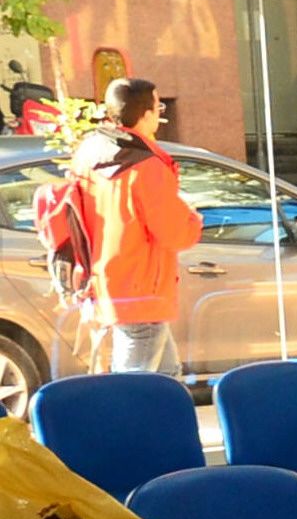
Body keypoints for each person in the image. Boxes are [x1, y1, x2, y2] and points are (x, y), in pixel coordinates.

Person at [69, 77, 201, 377]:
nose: (160, 113)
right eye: (158, 106)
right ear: (146, 114)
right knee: (133, 386)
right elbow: (174, 233)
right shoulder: (147, 166)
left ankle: (169, 409)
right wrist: (193, 219)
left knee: (166, 378)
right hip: (143, 290)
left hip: (107, 282)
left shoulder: (88, 153)